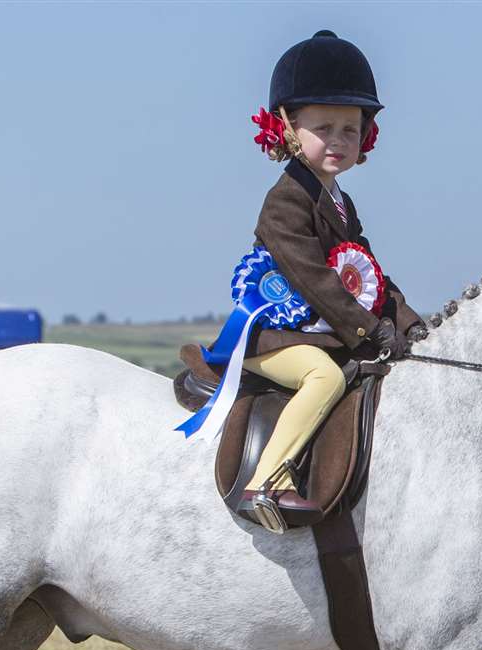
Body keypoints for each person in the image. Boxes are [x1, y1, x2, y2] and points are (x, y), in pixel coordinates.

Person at [179, 30, 422, 531]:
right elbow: (315, 279)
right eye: (324, 127)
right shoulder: (286, 200)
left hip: (316, 330)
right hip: (273, 337)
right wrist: (368, 331)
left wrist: (412, 323)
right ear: (288, 127)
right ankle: (267, 482)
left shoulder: (339, 202)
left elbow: (369, 274)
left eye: (350, 130)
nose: (339, 140)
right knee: (324, 377)